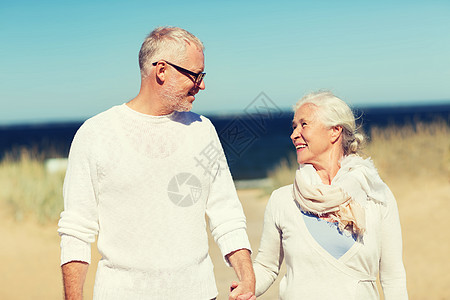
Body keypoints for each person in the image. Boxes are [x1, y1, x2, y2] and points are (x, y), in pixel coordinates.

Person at [58, 26, 256, 300]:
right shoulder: (96, 134)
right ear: (161, 70)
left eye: (203, 75)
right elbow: (76, 230)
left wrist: (246, 275)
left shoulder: (202, 130)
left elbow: (226, 212)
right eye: (195, 75)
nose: (202, 84)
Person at [253, 91, 408, 299]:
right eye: (294, 126)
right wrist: (245, 286)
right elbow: (266, 267)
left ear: (335, 131)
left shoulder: (376, 196)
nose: (294, 134)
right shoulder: (282, 200)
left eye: (303, 124)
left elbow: (393, 278)